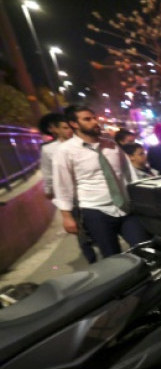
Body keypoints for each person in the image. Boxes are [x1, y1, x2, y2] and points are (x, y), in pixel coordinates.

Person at [52, 106, 150, 258]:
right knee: (113, 257)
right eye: (87, 119)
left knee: (145, 247)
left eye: (94, 118)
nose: (94, 122)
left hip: (125, 208)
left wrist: (139, 197)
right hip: (96, 211)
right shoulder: (65, 151)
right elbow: (63, 185)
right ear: (74, 124)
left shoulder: (111, 145)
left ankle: (151, 279)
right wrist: (67, 216)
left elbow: (129, 174)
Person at [40, 112, 98, 264]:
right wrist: (49, 190)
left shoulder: (81, 143)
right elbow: (48, 173)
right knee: (79, 229)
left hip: (87, 192)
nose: (68, 131)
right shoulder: (49, 149)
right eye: (64, 128)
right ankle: (91, 258)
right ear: (55, 130)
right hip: (70, 195)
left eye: (69, 127)